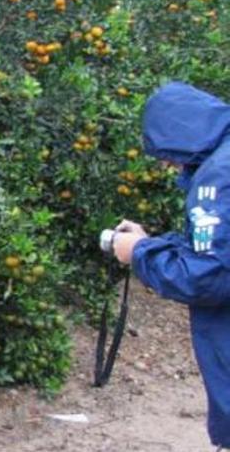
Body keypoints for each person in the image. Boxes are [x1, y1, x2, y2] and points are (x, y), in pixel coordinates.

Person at [111, 82, 229, 451]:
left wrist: (140, 254)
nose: (164, 164)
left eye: (163, 152)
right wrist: (152, 243)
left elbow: (210, 277)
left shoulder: (218, 177)